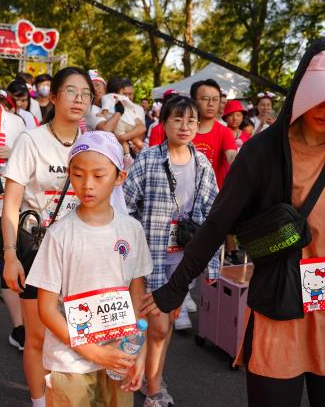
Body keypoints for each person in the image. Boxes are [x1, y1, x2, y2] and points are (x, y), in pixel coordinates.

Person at [140, 39, 325, 407]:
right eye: (318, 92)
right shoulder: (263, 152)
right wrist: (175, 288)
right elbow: (217, 223)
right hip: (280, 305)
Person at [26, 131, 153, 407]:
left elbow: (137, 298)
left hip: (118, 357)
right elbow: (46, 309)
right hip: (69, 361)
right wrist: (94, 352)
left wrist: (138, 353)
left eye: (99, 175)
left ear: (120, 177)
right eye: (78, 174)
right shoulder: (59, 234)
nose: (87, 185)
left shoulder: (131, 230)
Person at [2, 67, 95, 407]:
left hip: (82, 252)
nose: (79, 99)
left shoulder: (93, 143)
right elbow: (12, 203)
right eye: (71, 91)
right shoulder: (32, 140)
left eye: (85, 93)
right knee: (37, 337)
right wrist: (10, 255)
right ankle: (40, 403)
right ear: (53, 96)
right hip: (37, 250)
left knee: (76, 333)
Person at [124, 95, 219, 407]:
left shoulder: (203, 165)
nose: (185, 126)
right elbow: (126, 204)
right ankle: (153, 388)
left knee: (162, 327)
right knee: (160, 325)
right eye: (177, 119)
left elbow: (212, 217)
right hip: (149, 258)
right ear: (163, 122)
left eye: (191, 120)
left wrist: (212, 268)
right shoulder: (149, 159)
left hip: (182, 261)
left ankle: (148, 376)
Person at [0, 78, 26, 351]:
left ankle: (19, 329)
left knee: (7, 266)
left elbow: (30, 158)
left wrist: (12, 152)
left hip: (4, 206)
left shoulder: (15, 123)